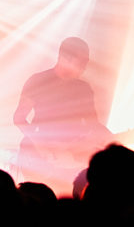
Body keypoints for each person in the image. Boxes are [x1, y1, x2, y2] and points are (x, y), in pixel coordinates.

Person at [12, 36, 110, 189]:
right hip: (38, 156)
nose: (85, 67)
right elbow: (19, 118)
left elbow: (93, 125)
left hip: (69, 158)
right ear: (66, 57)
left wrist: (112, 140)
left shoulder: (83, 89)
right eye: (82, 61)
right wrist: (40, 144)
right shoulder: (38, 81)